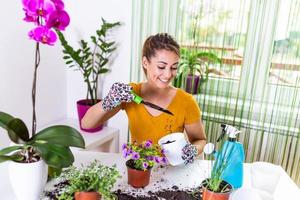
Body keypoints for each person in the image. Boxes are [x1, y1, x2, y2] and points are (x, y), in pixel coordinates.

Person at [82, 33, 206, 164]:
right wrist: (109, 100)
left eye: (174, 67)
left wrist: (193, 149)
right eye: (161, 67)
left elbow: (200, 140)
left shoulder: (186, 101)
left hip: (171, 170)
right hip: (138, 168)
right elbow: (87, 124)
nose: (168, 74)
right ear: (145, 62)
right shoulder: (130, 93)